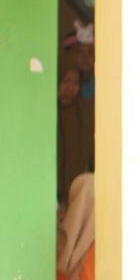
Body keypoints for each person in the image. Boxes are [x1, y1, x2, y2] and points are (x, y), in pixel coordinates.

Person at [56, 53, 94, 205]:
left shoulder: (84, 112)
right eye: (65, 81)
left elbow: (91, 150)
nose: (70, 88)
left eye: (75, 83)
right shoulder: (47, 110)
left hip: (76, 192)